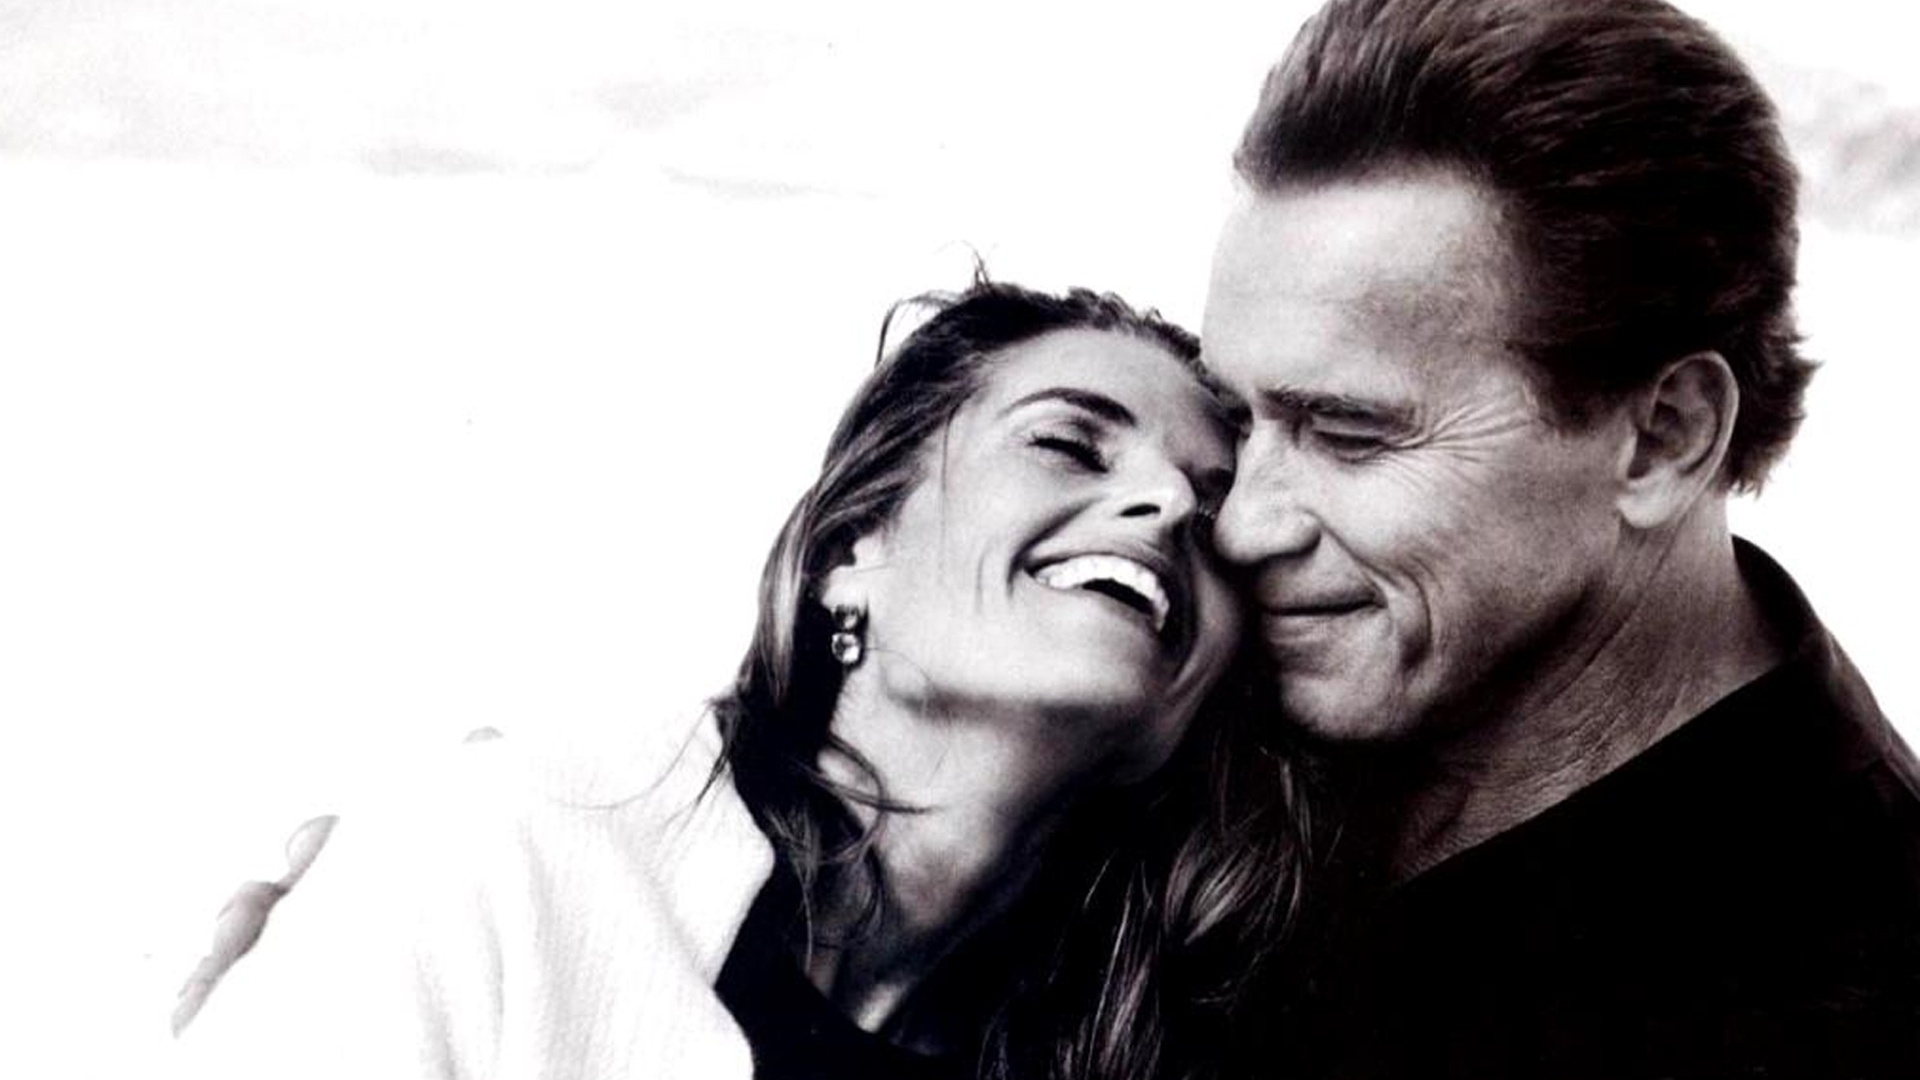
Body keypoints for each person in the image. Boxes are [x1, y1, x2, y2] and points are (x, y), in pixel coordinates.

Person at [171, 279, 1310, 1080]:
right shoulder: (501, 856)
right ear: (850, 553)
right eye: (1066, 443)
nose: (1171, 503)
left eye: (1214, 510)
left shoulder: (1172, 1043)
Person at [1200, 0, 1920, 1075]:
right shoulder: (1241, 707)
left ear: (1664, 439)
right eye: (1234, 416)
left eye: (1348, 434)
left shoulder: (1851, 993)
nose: (1239, 525)